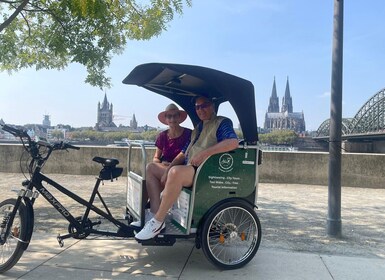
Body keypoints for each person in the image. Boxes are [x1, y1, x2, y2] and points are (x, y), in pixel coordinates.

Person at [135, 96, 239, 240]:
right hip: (188, 167)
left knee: (175, 172)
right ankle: (155, 213)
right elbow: (184, 153)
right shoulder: (198, 128)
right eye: (197, 107)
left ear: (213, 106)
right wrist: (168, 168)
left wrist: (204, 154)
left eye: (204, 105)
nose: (200, 109)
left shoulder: (221, 123)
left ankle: (158, 222)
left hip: (203, 170)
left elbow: (233, 142)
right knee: (151, 168)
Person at [130, 103, 191, 227]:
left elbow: (184, 155)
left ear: (179, 117)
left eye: (175, 116)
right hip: (165, 170)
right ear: (166, 119)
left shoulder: (189, 134)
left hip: (181, 172)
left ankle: (154, 216)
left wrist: (168, 168)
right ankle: (146, 214)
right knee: (151, 172)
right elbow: (156, 158)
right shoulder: (162, 136)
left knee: (150, 169)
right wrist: (161, 164)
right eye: (169, 116)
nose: (172, 119)